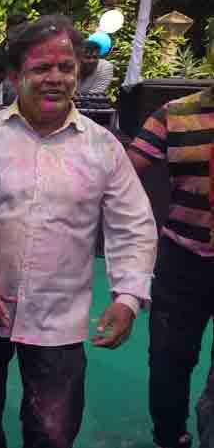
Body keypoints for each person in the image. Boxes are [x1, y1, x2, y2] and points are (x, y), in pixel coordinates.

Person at [0, 15, 158, 448]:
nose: (55, 78)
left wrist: (127, 297)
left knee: (52, 432)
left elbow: (133, 224)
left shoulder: (102, 147)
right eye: (40, 69)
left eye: (65, 68)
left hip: (59, 319)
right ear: (15, 76)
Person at [128, 83, 214, 448]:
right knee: (167, 360)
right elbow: (122, 171)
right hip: (184, 259)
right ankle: (170, 437)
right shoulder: (174, 114)